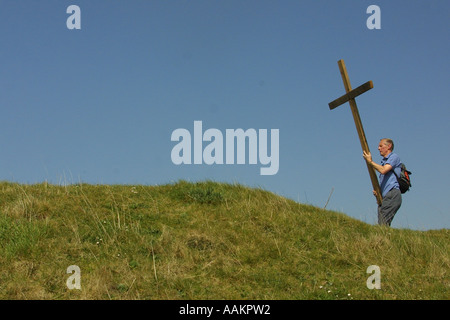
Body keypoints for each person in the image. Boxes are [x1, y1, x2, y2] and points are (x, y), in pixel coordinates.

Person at [363, 138, 402, 226]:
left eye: (381, 146)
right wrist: (379, 191)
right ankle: (384, 238)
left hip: (392, 194)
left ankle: (383, 239)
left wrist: (370, 162)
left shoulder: (394, 157)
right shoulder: (383, 162)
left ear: (389, 146)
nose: (378, 148)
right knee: (382, 222)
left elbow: (384, 170)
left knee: (383, 222)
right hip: (386, 196)